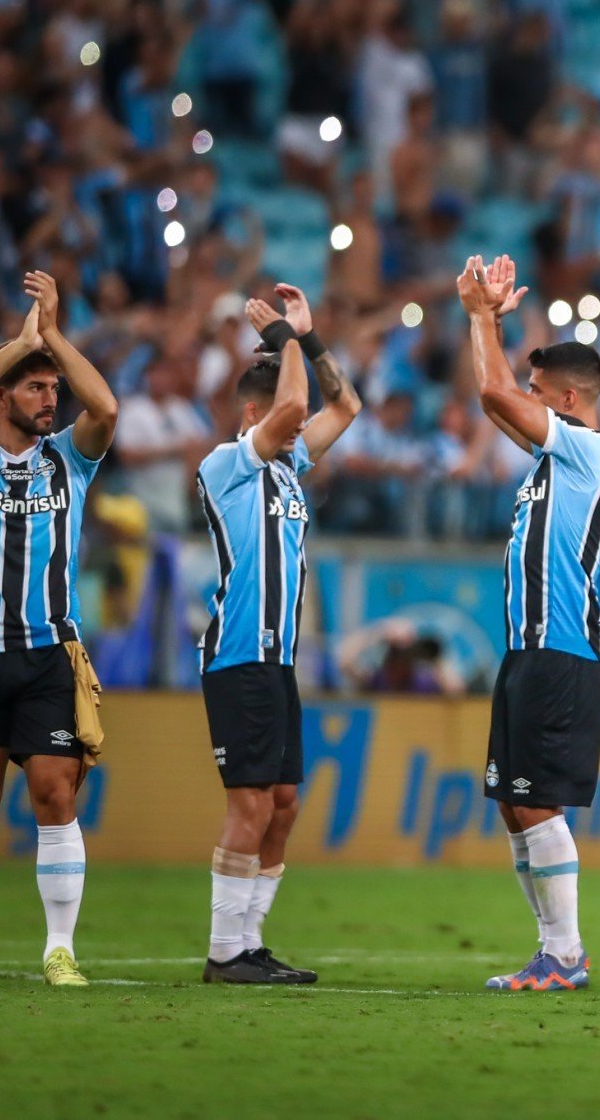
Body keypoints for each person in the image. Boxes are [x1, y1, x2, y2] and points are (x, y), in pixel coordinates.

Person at [0, 270, 117, 988]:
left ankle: (59, 947)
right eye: (37, 387)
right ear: (2, 395)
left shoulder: (69, 460)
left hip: (48, 657)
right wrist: (18, 343)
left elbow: (105, 404)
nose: (52, 399)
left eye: (53, 389)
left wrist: (52, 337)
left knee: (56, 796)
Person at [459, 255, 600, 992]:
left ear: (566, 397)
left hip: (561, 647)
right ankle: (551, 949)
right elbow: (496, 398)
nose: (526, 402)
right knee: (512, 801)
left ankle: (565, 954)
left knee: (534, 799)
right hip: (529, 648)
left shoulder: (589, 450)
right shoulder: (553, 464)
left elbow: (494, 391)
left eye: (539, 393)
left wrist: (480, 317)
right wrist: (490, 323)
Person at [195, 284, 362, 985]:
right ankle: (224, 950)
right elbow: (298, 407)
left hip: (277, 659)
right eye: (284, 423)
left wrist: (312, 340)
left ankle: (249, 940)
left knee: (283, 804)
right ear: (253, 414)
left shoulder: (288, 462)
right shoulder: (229, 463)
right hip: (239, 653)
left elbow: (344, 406)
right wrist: (286, 339)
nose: (299, 431)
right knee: (252, 802)